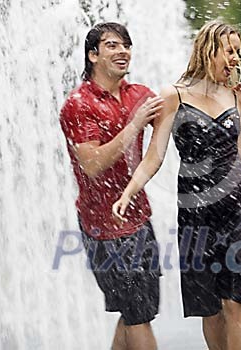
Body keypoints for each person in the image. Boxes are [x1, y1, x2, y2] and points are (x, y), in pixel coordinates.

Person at [112, 20, 241, 350]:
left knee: (236, 300)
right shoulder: (173, 96)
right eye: (230, 51)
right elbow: (154, 157)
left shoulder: (236, 99)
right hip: (195, 213)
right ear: (209, 50)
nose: (236, 59)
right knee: (210, 306)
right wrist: (129, 193)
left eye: (239, 52)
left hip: (234, 210)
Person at [59, 22, 164, 350]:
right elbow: (92, 164)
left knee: (136, 311)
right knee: (138, 315)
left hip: (139, 217)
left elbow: (175, 108)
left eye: (126, 45)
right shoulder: (78, 104)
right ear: (93, 55)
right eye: (113, 46)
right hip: (103, 226)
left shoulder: (140, 95)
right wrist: (135, 124)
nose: (123, 52)